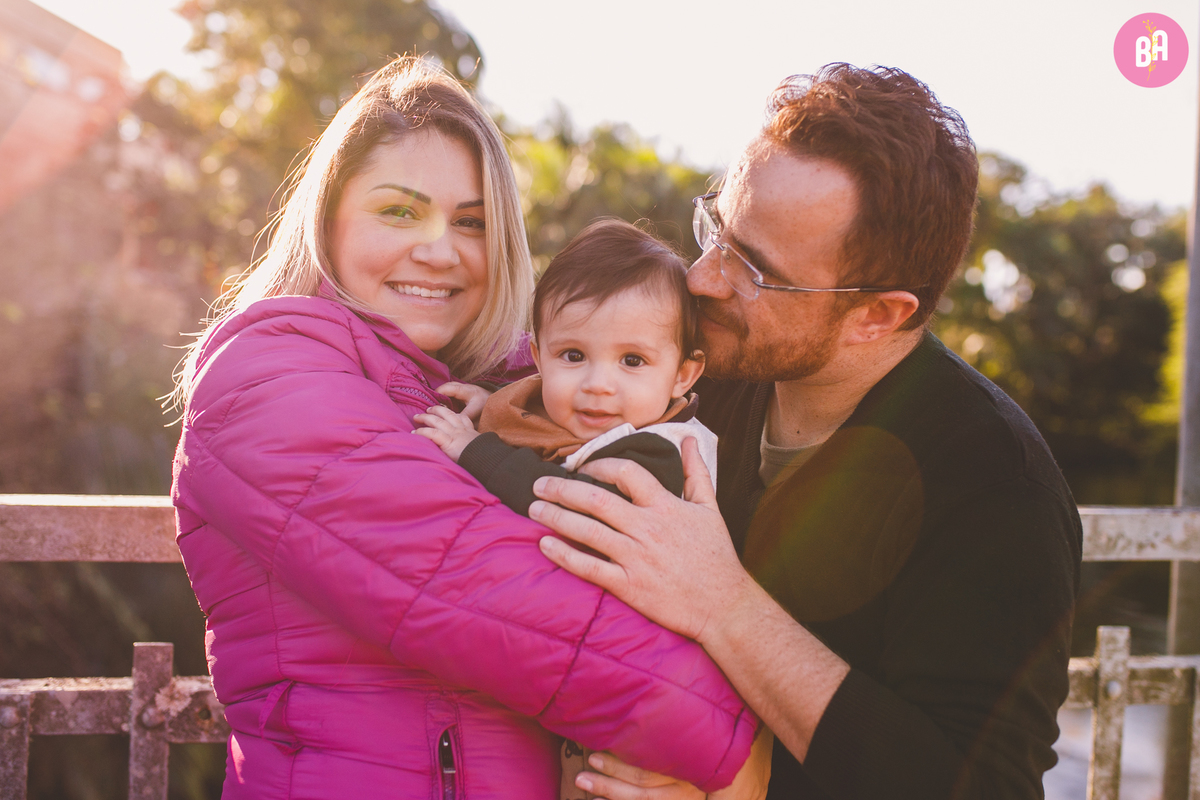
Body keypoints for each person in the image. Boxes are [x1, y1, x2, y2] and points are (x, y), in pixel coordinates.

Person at [169, 57, 760, 799]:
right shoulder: (267, 377)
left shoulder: (517, 390)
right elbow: (505, 596)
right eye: (399, 211)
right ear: (328, 218)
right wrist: (744, 755)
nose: (440, 249)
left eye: (472, 222)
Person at [531, 64, 1082, 800]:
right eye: (716, 230)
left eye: (754, 268)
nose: (703, 278)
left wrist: (724, 611)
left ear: (878, 316)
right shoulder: (707, 368)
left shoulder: (997, 487)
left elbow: (978, 785)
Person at [413, 218, 715, 517]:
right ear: (539, 358)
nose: (597, 384)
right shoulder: (611, 412)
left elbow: (573, 504)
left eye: (632, 361)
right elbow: (543, 406)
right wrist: (493, 400)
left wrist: (476, 450)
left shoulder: (664, 453)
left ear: (682, 375)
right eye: (573, 356)